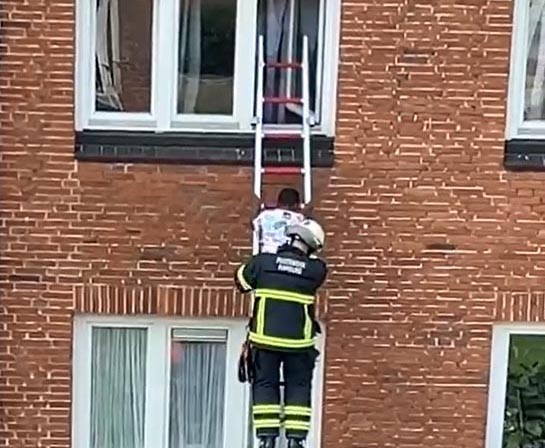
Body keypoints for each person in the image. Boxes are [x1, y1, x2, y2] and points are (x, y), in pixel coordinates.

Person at [235, 218, 328, 448]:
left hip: (264, 340)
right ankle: (295, 441)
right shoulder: (316, 271)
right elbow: (305, 267)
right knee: (298, 386)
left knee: (265, 385)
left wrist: (262, 258)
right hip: (299, 343)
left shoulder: (263, 263)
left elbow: (241, 282)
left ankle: (267, 439)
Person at [252, 188, 305, 254]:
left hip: (266, 256)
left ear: (278, 202)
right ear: (296, 204)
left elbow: (254, 225)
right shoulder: (299, 218)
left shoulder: (264, 215)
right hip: (288, 257)